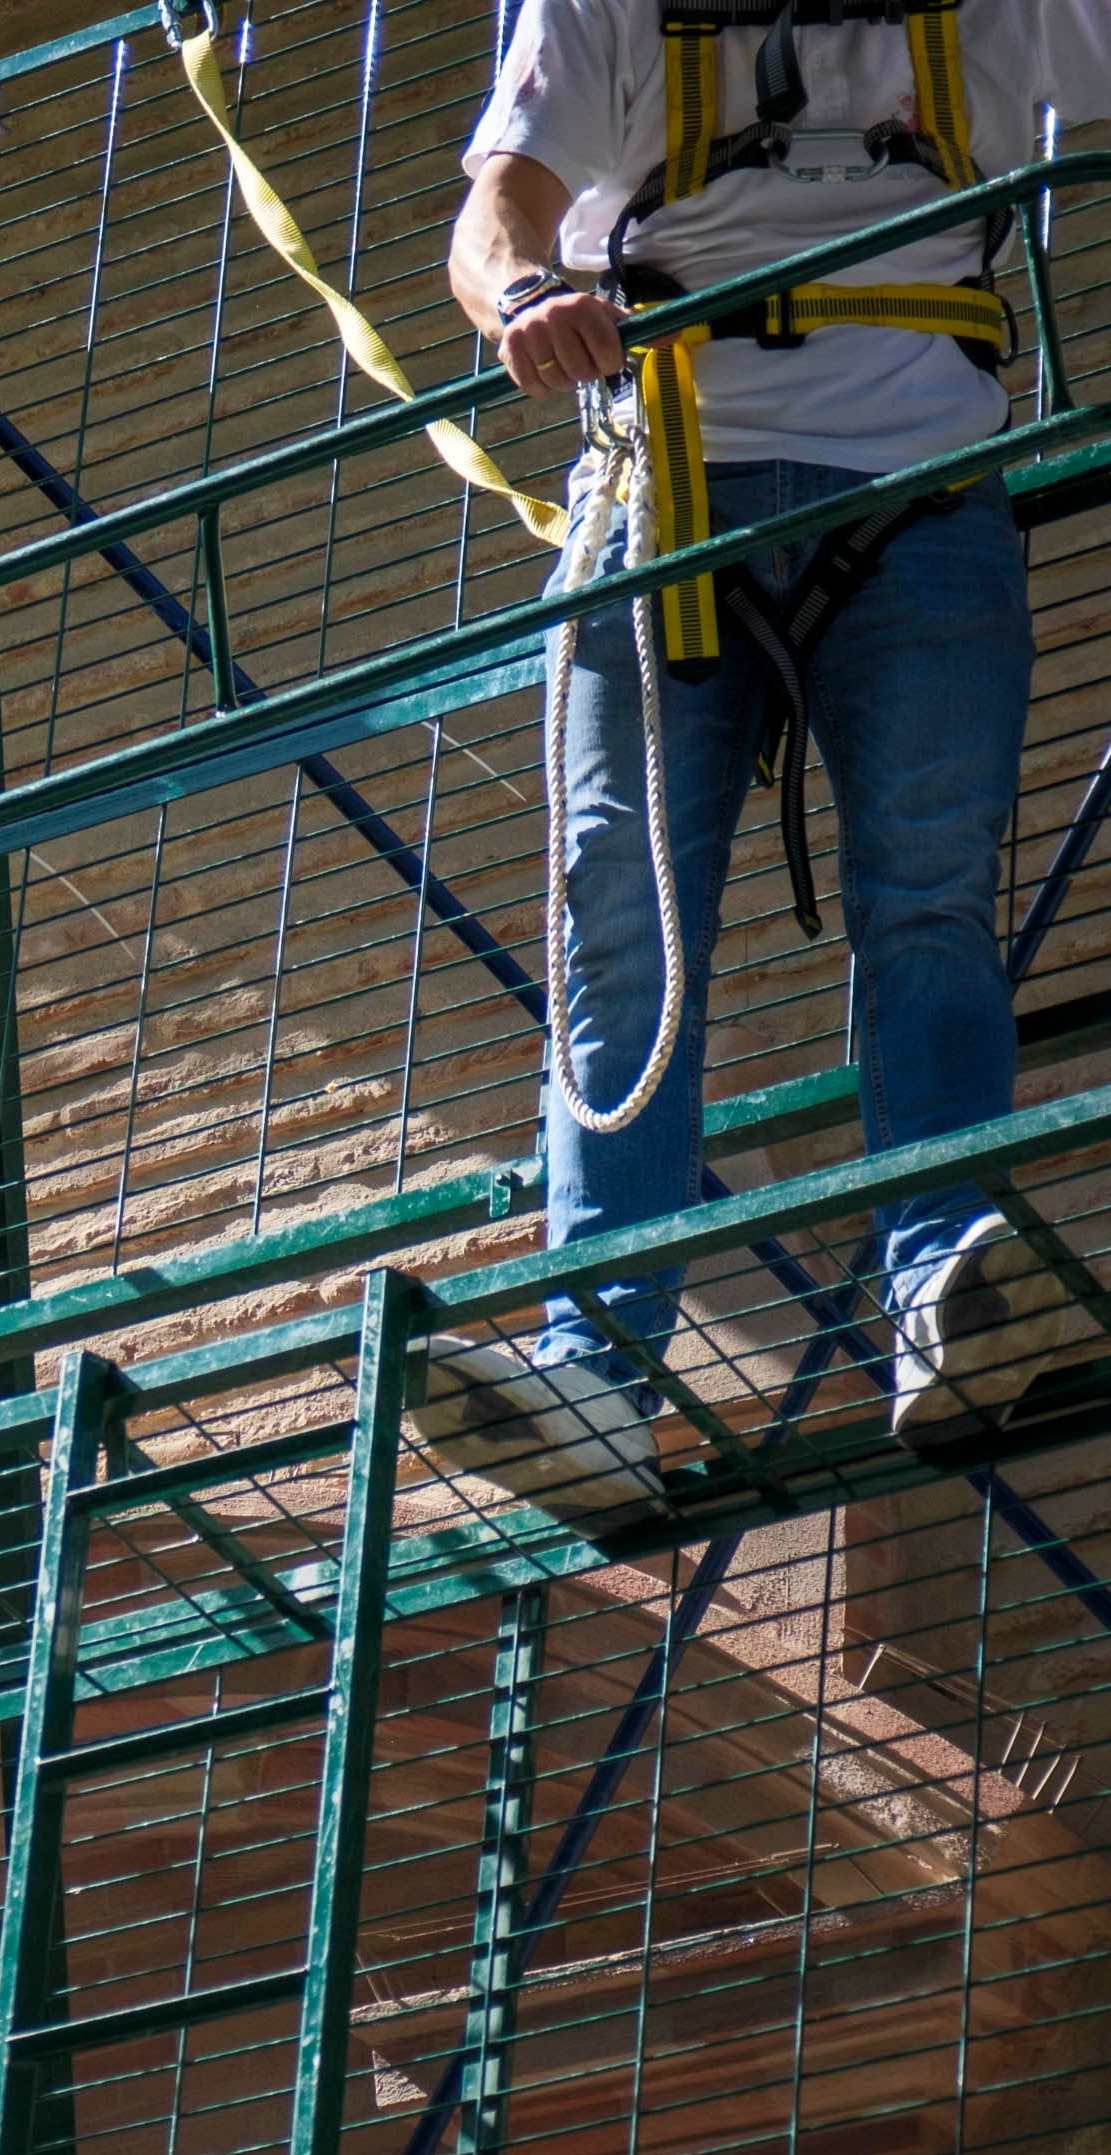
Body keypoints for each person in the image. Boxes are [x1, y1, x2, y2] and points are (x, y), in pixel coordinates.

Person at [419, 0, 1111, 1513]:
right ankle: (597, 1364)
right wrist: (530, 293)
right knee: (622, 924)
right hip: (665, 486)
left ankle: (942, 1293)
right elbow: (500, 208)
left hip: (916, 488)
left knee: (928, 903)